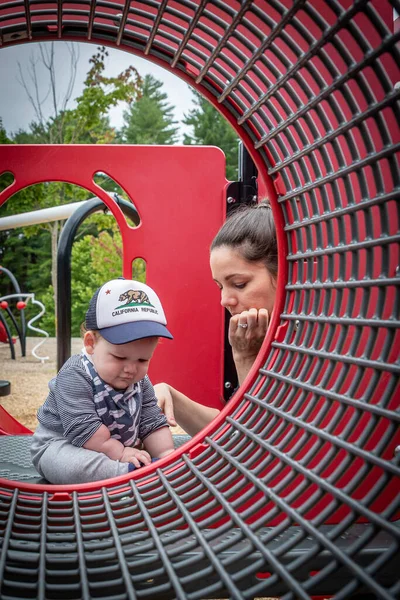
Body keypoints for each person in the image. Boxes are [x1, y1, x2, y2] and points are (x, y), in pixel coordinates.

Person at [31, 278, 175, 484]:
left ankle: (146, 469)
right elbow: (83, 427)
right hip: (64, 444)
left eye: (143, 359)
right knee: (73, 467)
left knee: (156, 449)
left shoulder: (139, 379)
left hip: (117, 447)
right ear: (91, 343)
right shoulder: (75, 374)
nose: (131, 369)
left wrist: (167, 455)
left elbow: (151, 420)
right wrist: (120, 452)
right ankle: (127, 472)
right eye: (119, 357)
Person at [154, 200, 277, 437]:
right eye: (220, 286)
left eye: (239, 284)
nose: (225, 300)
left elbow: (252, 439)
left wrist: (245, 358)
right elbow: (230, 426)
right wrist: (171, 397)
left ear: (283, 271)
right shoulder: (263, 337)